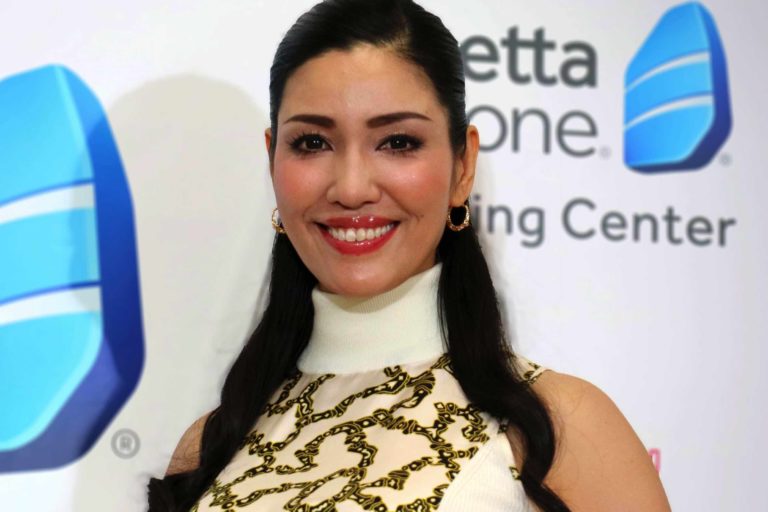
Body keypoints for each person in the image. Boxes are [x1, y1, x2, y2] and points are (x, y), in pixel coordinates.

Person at [148, 0, 671, 510]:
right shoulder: (207, 447)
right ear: (272, 160)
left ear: (463, 166)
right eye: (312, 143)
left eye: (397, 142)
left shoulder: (560, 428)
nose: (351, 188)